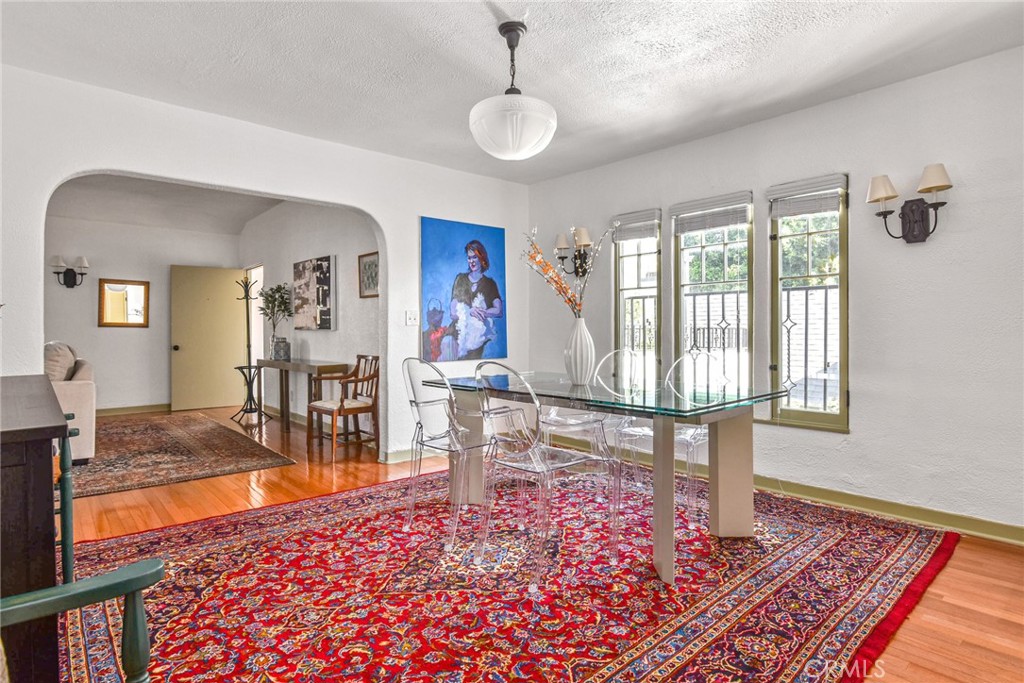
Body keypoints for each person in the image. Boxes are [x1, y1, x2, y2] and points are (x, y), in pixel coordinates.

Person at [448, 240, 503, 359]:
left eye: (475, 257)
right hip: (457, 336)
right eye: (469, 258)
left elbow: (498, 311)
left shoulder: (489, 284)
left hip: (477, 339)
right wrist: (469, 312)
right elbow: (453, 313)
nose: (471, 261)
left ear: (482, 258)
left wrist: (482, 312)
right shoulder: (460, 279)